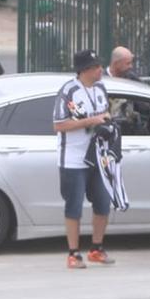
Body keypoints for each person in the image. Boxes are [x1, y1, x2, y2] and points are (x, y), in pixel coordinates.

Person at [52, 50, 116, 269]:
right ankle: (73, 252)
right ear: (86, 69)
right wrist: (91, 121)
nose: (101, 70)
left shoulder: (100, 88)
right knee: (74, 206)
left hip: (98, 156)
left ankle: (96, 248)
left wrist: (106, 123)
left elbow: (105, 112)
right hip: (73, 159)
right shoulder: (69, 91)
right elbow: (59, 125)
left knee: (103, 203)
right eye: (97, 66)